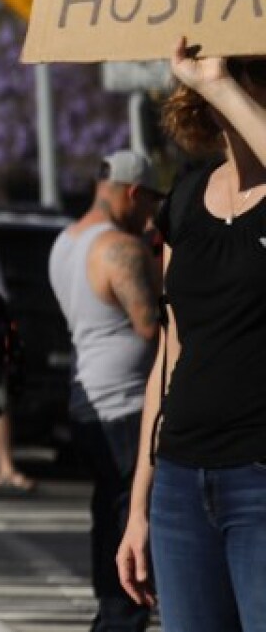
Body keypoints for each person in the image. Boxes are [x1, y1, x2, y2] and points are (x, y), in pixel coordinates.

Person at [118, 41, 266, 632]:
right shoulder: (184, 197)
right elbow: (168, 355)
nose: (226, 82)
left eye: (248, 72)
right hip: (181, 481)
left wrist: (220, 79)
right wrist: (139, 508)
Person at [50, 149, 164, 632]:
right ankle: (120, 617)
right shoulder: (121, 247)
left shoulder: (66, 241)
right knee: (131, 515)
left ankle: (110, 611)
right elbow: (153, 328)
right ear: (134, 193)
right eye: (151, 203)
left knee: (108, 508)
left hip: (86, 402)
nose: (152, 216)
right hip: (126, 405)